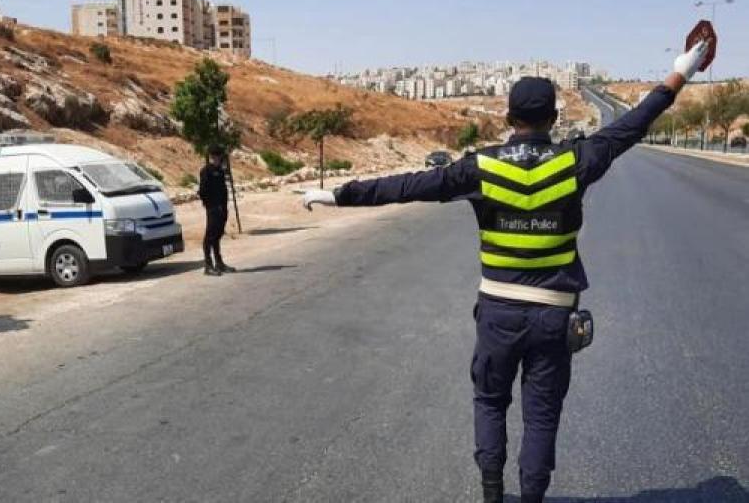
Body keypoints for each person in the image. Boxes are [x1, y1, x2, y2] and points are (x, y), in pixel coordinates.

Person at [301, 41, 709, 502]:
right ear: (554, 118)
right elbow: (632, 125)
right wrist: (680, 74)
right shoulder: (576, 161)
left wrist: (339, 195)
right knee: (541, 416)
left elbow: (407, 186)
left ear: (509, 118)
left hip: (498, 315)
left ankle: (492, 494)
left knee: (491, 403)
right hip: (554, 317)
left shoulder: (481, 167)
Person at [199, 144, 236, 276]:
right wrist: (211, 206)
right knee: (210, 236)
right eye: (216, 156)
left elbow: (223, 190)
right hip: (213, 208)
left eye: (219, 156)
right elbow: (202, 191)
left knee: (217, 235)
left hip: (222, 208)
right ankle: (208, 265)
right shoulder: (206, 171)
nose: (218, 159)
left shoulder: (220, 171)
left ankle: (219, 263)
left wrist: (224, 207)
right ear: (213, 157)